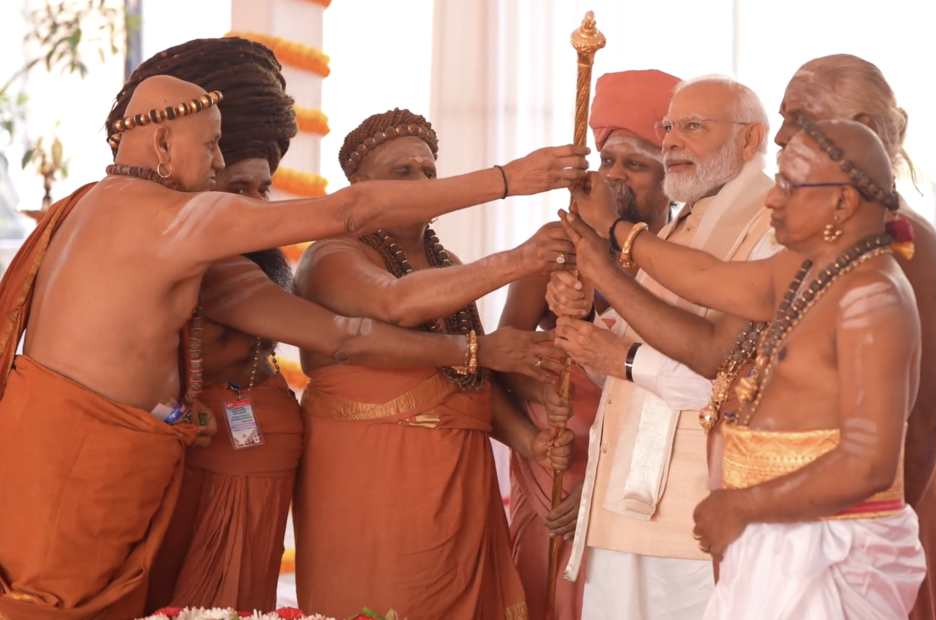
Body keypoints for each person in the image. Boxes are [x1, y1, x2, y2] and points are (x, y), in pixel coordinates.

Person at [0, 72, 587, 620]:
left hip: (67, 441)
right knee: (50, 603)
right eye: (211, 146)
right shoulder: (174, 217)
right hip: (82, 460)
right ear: (161, 143)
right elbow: (351, 218)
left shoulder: (82, 206)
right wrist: (507, 181)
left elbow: (335, 335)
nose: (219, 163)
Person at [564, 117, 927, 619]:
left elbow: (869, 462)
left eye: (789, 187)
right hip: (777, 532)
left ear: (843, 202)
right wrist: (612, 233)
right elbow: (704, 276)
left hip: (828, 541)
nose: (772, 199)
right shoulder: (808, 270)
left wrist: (744, 505)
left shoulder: (871, 299)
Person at [291, 109, 575, 620]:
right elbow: (395, 303)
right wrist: (521, 259)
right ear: (358, 187)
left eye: (428, 172)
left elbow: (471, 378)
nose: (421, 183)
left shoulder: (451, 268)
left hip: (459, 478)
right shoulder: (330, 255)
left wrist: (529, 442)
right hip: (372, 476)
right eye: (402, 172)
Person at [548, 74, 777, 620]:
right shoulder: (676, 230)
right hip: (623, 505)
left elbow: (734, 377)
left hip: (696, 511)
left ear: (750, 139)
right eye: (669, 127)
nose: (672, 141)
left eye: (692, 127)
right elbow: (629, 365)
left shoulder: (771, 226)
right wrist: (587, 326)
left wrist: (622, 357)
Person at [774, 54, 936, 620]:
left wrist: (881, 522)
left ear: (864, 129)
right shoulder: (815, 233)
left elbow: (931, 406)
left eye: (798, 118)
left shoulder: (909, 243)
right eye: (781, 117)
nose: (780, 137)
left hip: (877, 511)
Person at [497, 69, 680, 620]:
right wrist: (538, 423)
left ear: (672, 177)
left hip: (648, 476)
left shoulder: (685, 261)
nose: (615, 176)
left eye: (636, 164)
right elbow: (500, 362)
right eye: (607, 161)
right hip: (556, 470)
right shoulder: (558, 249)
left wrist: (605, 481)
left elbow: (688, 384)